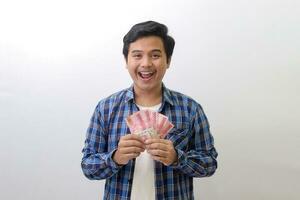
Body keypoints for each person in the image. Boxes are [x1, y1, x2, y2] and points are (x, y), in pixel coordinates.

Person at [81, 20, 218, 200]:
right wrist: (115, 158)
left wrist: (177, 157)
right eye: (137, 55)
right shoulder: (106, 109)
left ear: (168, 60)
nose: (146, 63)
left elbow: (209, 164)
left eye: (155, 55)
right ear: (126, 60)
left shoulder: (190, 109)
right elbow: (88, 167)